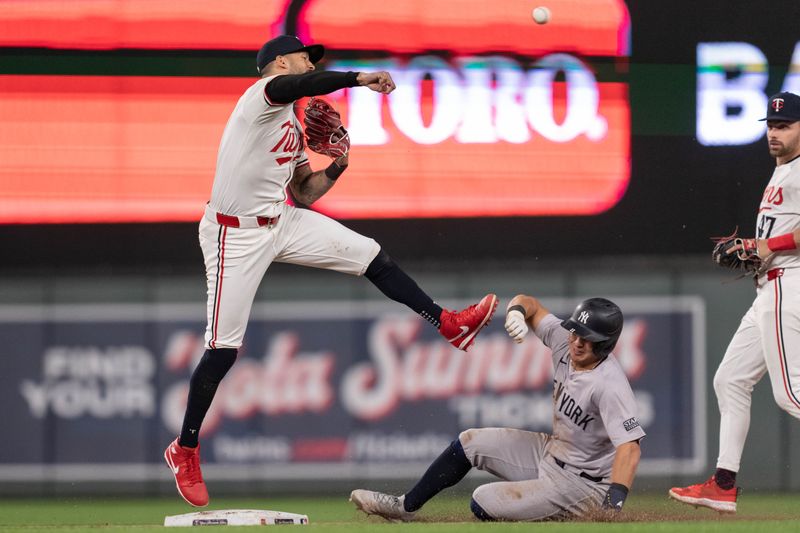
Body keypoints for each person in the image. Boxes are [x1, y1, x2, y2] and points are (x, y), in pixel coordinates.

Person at [163, 35, 498, 507]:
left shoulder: (292, 126)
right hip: (231, 235)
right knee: (222, 352)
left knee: (371, 255)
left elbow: (303, 192)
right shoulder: (261, 97)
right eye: (303, 57)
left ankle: (449, 324)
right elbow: (302, 82)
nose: (308, 64)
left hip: (280, 220)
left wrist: (338, 165)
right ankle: (185, 449)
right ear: (279, 62)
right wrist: (359, 79)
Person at [350, 296, 645, 521]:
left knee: (483, 501)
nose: (577, 342)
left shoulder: (610, 384)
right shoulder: (563, 341)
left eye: (587, 339)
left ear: (605, 345)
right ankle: (404, 507)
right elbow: (529, 303)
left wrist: (612, 504)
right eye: (575, 332)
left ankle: (556, 511)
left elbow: (629, 448)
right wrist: (517, 312)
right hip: (553, 454)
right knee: (469, 442)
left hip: (583, 485)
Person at [669, 92, 800, 513]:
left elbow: (778, 243)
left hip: (788, 284)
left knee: (791, 394)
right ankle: (723, 485)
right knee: (730, 380)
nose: (774, 133)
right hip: (768, 287)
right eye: (772, 125)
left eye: (785, 125)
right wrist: (754, 246)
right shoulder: (782, 172)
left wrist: (766, 244)